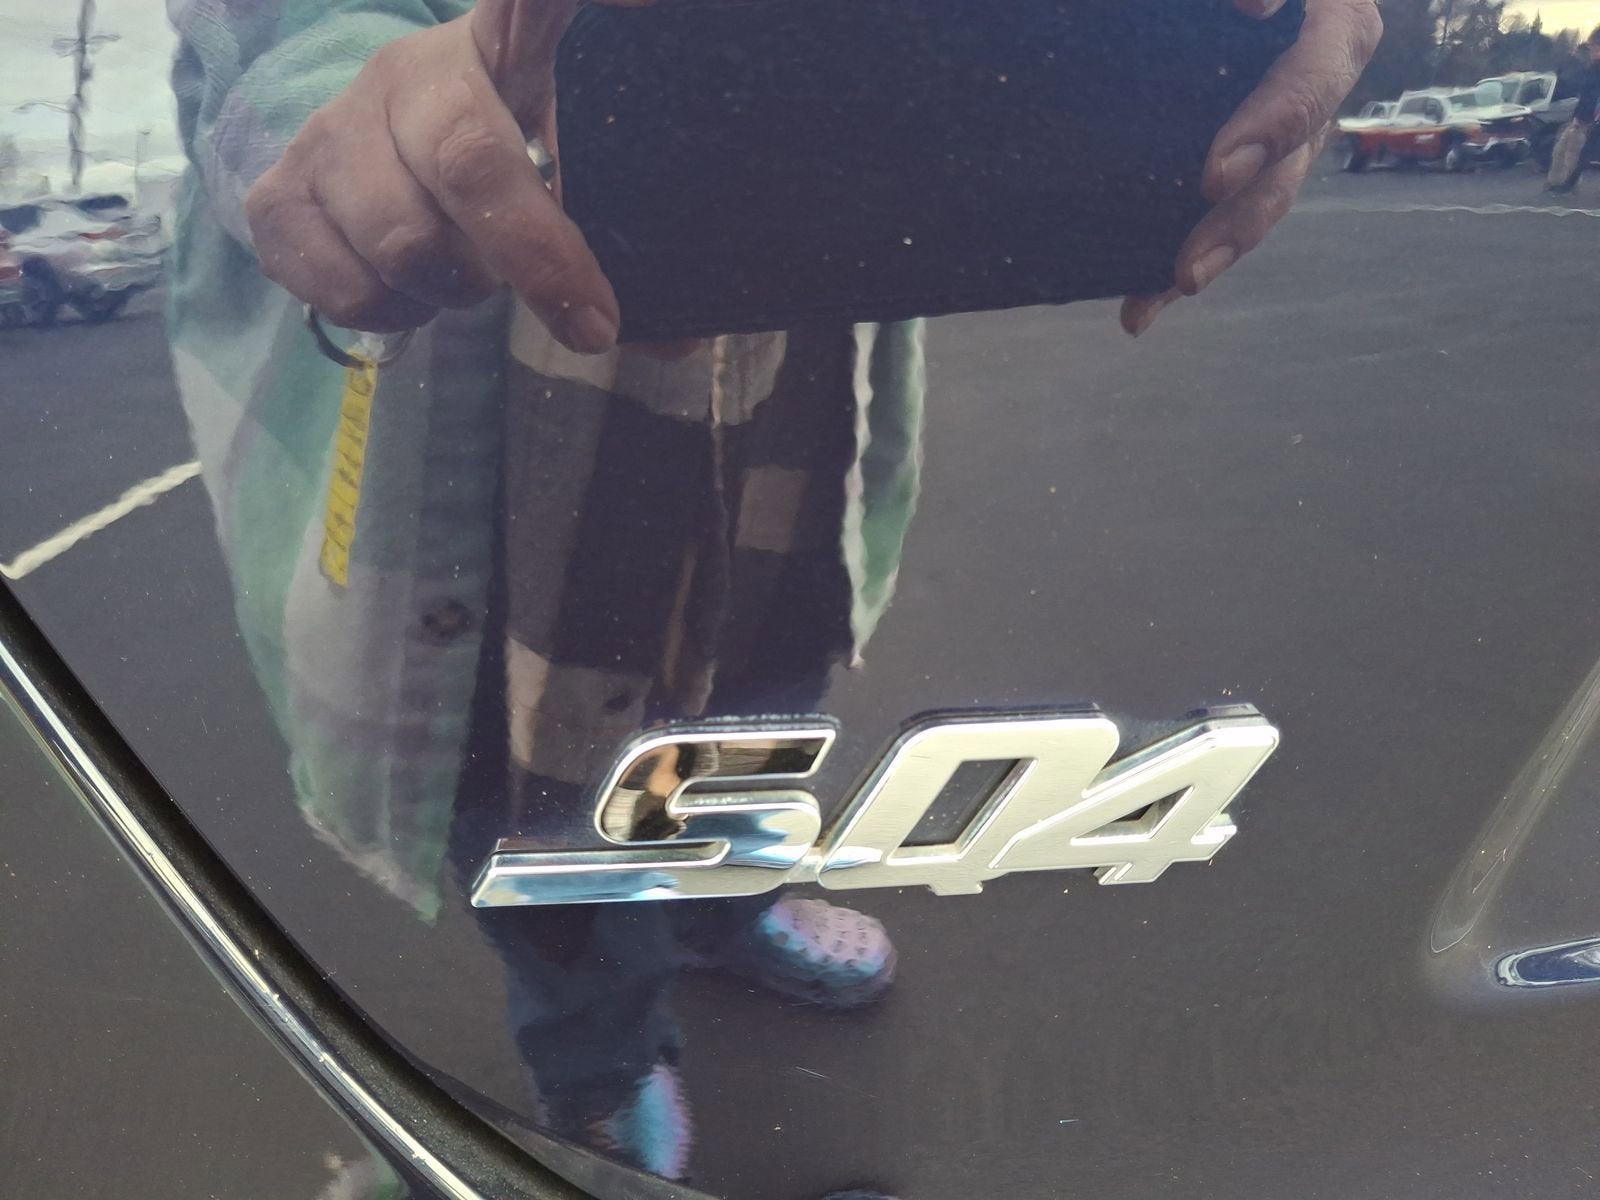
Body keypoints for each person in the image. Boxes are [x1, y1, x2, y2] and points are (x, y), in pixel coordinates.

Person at [164, 0, 1378, 1184]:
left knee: (766, 685)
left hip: (792, 354)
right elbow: (270, 42)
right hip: (498, 425)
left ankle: (723, 912)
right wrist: (356, 121)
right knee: (534, 789)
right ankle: (597, 1060)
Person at [1549, 26, 1600, 193]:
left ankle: (1566, 185)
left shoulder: (1595, 70)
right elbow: (1586, 95)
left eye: (1594, 47)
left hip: (1590, 119)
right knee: (1565, 150)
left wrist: (1584, 118)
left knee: (1577, 153)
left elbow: (1592, 97)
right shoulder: (1592, 68)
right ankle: (1561, 183)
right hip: (1584, 118)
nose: (1591, 51)